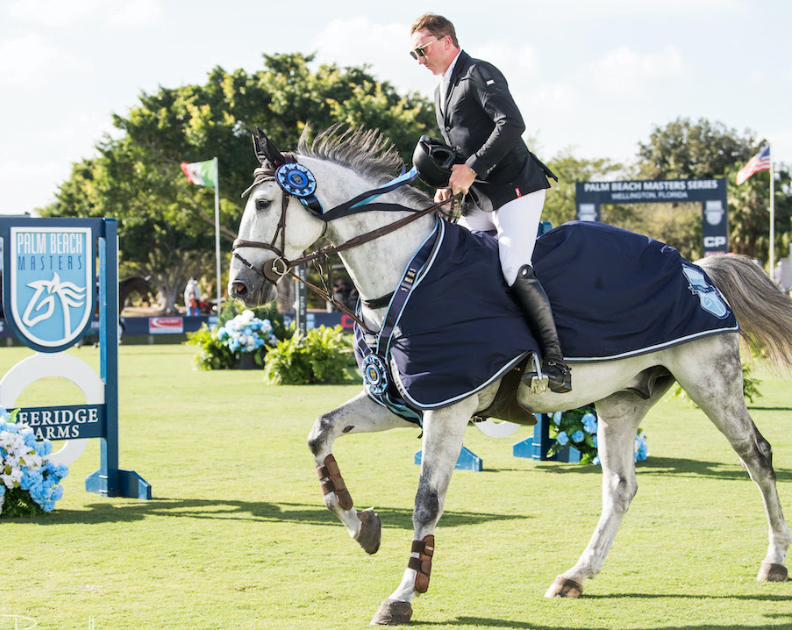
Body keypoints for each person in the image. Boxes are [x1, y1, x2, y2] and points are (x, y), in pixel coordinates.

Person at [409, 13, 571, 392]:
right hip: (479, 198)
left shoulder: (478, 72)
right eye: (412, 54)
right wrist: (449, 182)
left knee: (514, 265)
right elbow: (459, 147)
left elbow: (511, 123)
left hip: (516, 189)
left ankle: (556, 360)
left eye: (422, 49)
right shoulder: (441, 90)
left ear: (446, 41)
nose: (419, 59)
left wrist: (473, 168)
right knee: (456, 261)